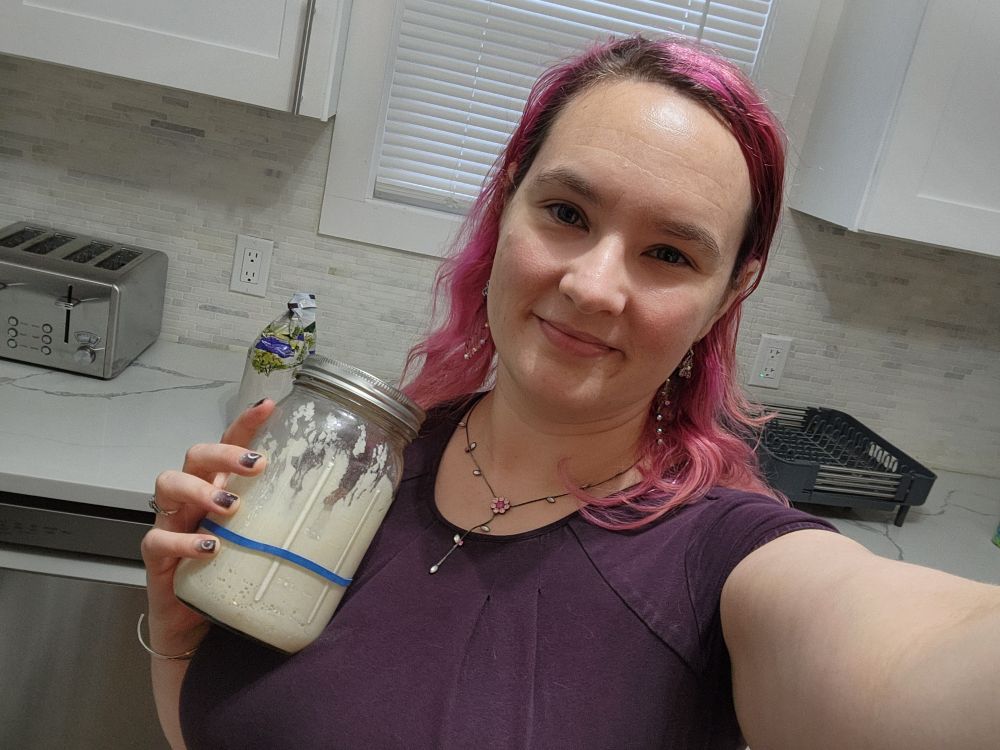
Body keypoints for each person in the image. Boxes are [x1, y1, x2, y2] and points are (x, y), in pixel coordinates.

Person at [141, 36, 999, 750]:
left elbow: (916, 661)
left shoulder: (723, 565)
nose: (593, 285)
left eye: (670, 254)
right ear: (508, 200)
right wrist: (180, 647)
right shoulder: (361, 464)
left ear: (729, 295)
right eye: (567, 213)